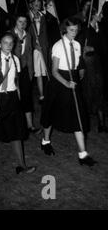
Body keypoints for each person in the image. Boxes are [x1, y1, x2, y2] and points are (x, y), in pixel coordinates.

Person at [40, 17, 96, 166]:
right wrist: (66, 83)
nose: (74, 33)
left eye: (76, 30)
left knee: (78, 116)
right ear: (65, 29)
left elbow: (77, 64)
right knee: (51, 113)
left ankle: (83, 154)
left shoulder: (77, 45)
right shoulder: (58, 46)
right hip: (60, 82)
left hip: (72, 81)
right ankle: (45, 141)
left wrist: (78, 73)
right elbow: (54, 71)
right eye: (71, 30)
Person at [0, 32, 36, 174]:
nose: (8, 46)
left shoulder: (15, 59)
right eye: (5, 42)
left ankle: (22, 165)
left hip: (12, 97)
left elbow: (16, 80)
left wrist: (18, 96)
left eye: (11, 43)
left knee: (16, 131)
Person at [11, 15, 40, 134]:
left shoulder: (28, 35)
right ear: (15, 22)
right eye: (20, 21)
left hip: (25, 69)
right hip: (12, 69)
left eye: (25, 22)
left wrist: (31, 70)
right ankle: (15, 124)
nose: (22, 24)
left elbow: (29, 53)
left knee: (27, 96)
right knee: (14, 96)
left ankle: (29, 125)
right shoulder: (10, 35)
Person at [79, 12, 108, 132]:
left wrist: (95, 48)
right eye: (99, 14)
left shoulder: (101, 28)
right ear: (93, 16)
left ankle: (102, 124)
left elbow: (104, 46)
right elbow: (79, 47)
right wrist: (83, 49)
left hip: (99, 64)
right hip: (88, 64)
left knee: (99, 91)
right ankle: (83, 123)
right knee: (89, 92)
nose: (102, 15)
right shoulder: (85, 30)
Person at [28, 0, 49, 103]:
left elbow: (45, 34)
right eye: (35, 2)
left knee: (45, 71)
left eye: (39, 2)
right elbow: (26, 35)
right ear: (30, 4)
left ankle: (45, 94)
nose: (37, 4)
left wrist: (44, 46)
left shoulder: (43, 17)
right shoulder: (27, 17)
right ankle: (41, 95)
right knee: (37, 73)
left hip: (43, 48)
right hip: (33, 50)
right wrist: (34, 46)